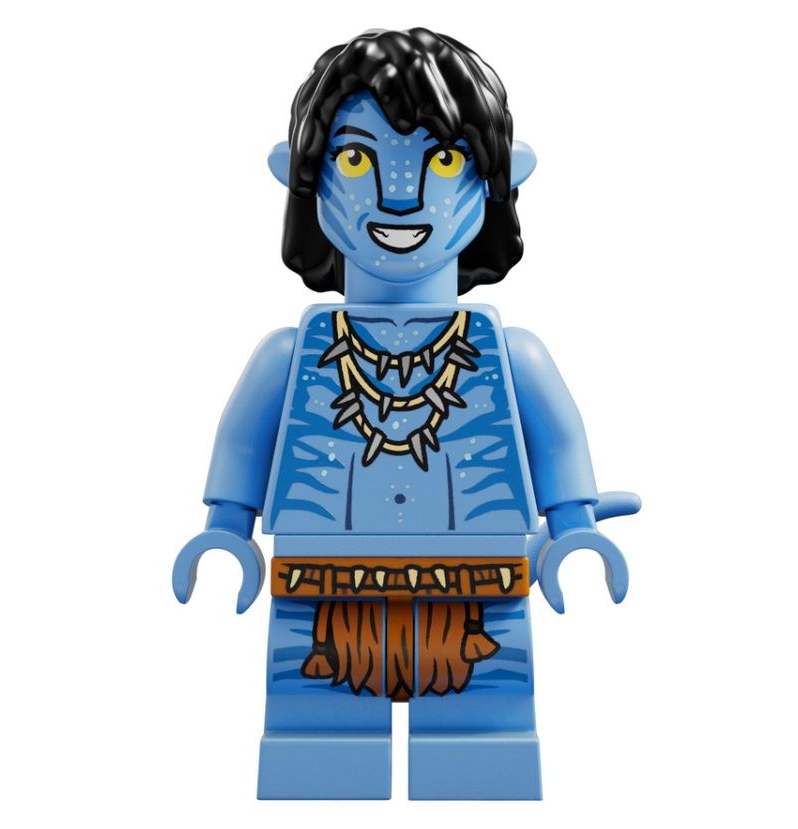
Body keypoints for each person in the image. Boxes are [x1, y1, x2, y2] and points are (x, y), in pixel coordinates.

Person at [173, 27, 639, 800]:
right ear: (301, 175)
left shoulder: (510, 352)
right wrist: (225, 530)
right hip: (321, 586)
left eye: (444, 160)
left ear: (499, 179)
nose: (399, 195)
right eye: (358, 161)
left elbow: (557, 442)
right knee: (316, 734)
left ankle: (477, 767)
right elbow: (245, 444)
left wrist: (574, 525)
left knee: (481, 733)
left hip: (478, 584)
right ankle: (322, 770)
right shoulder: (291, 353)